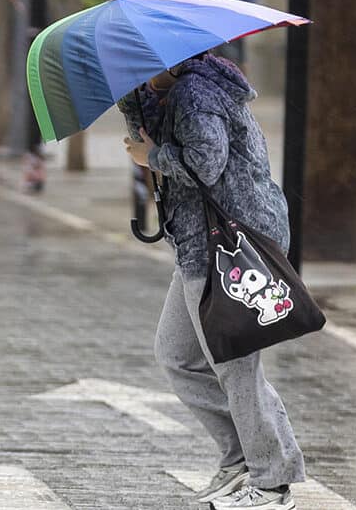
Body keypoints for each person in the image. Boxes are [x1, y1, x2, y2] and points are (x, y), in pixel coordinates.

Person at [119, 53, 303, 510]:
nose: (131, 73)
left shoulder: (196, 94)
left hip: (228, 243)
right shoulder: (170, 91)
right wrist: (132, 103)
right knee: (177, 354)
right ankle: (244, 456)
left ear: (166, 59)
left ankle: (271, 481)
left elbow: (206, 162)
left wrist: (153, 156)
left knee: (235, 365)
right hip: (200, 243)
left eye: (135, 65)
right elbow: (157, 130)